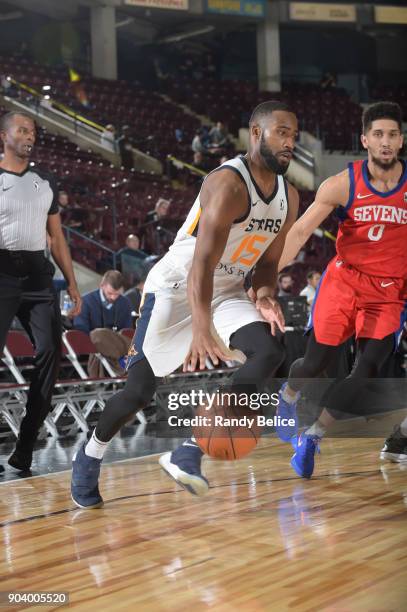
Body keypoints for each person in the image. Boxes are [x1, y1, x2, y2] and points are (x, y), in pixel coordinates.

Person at [71, 100, 300, 508]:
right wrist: (198, 328)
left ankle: (189, 450)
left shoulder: (289, 196)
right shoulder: (227, 183)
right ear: (256, 133)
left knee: (268, 351)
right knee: (139, 391)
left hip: (227, 290)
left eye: (294, 137)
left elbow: (266, 264)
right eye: (282, 132)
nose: (290, 143)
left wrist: (265, 295)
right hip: (178, 285)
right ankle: (89, 456)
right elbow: (202, 264)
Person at [275, 101, 407, 478]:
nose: (385, 142)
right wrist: (267, 279)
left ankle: (313, 437)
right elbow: (299, 232)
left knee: (365, 371)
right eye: (378, 134)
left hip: (389, 292)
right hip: (345, 281)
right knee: (315, 363)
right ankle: (288, 396)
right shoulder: (342, 184)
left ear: (401, 140)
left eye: (392, 135)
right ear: (365, 140)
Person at [0, 111, 81, 472]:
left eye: (32, 130)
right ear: (4, 137)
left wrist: (73, 285)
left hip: (38, 279)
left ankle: (26, 446)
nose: (29, 134)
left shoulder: (45, 181)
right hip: (2, 274)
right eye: (21, 129)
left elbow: (57, 239)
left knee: (50, 356)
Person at [73, 270, 132, 377]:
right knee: (97, 334)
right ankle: (125, 366)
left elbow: (126, 331)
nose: (113, 297)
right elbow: (81, 330)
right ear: (102, 286)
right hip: (93, 344)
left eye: (117, 294)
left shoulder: (125, 303)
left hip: (116, 346)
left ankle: (122, 366)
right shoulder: (85, 301)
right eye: (110, 293)